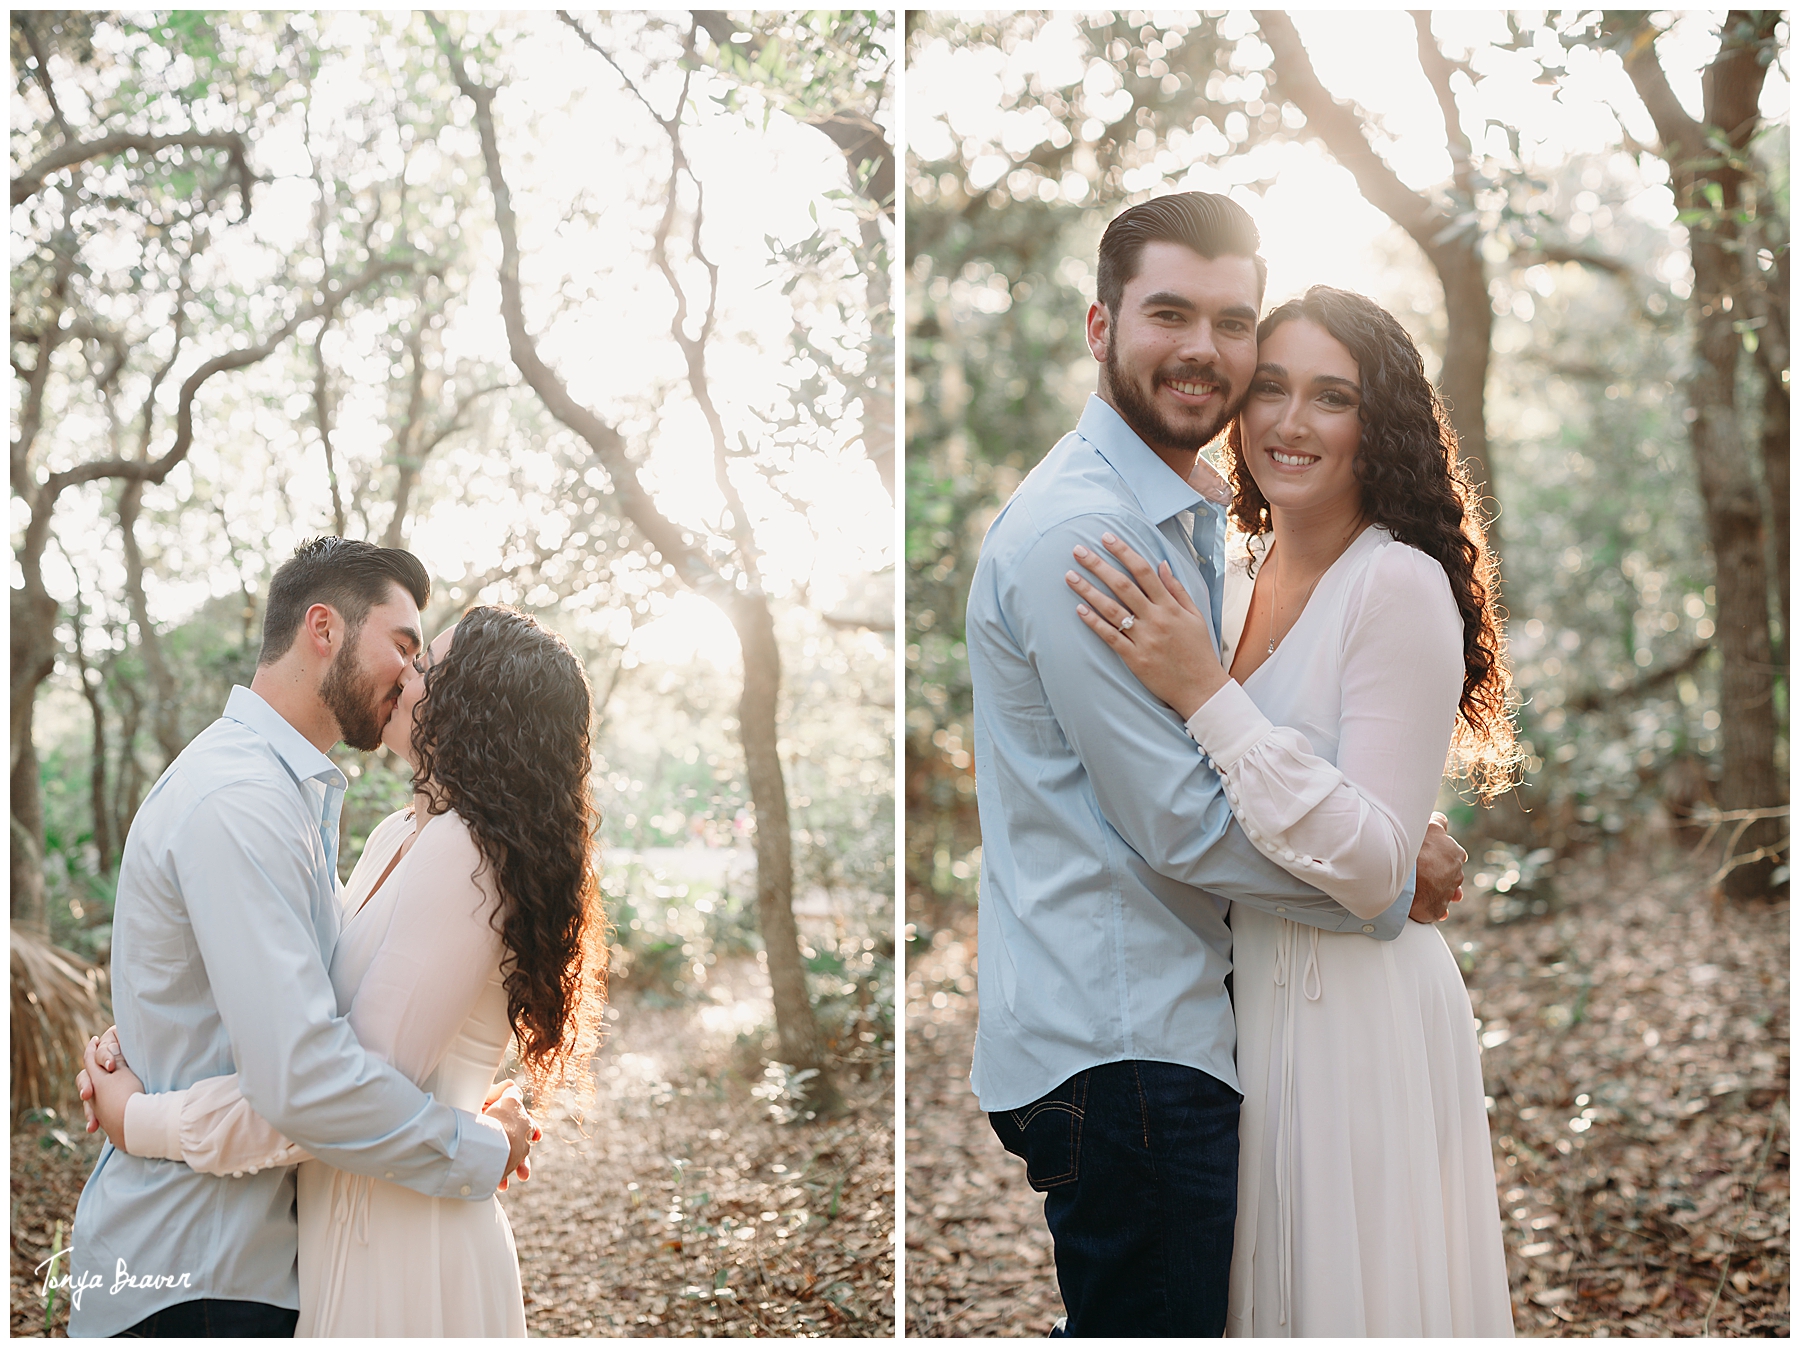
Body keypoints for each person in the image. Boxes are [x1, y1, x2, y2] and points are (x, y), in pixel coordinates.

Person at [965, 192, 1469, 1337]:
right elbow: (1183, 821)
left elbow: (1263, 756)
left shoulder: (1194, 537)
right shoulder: (1083, 541)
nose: (1206, 351)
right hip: (1132, 1040)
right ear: (1101, 327)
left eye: (1231, 322)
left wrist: (1379, 841)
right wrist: (1388, 879)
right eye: (1170, 314)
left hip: (1228, 1027)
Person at [1066, 284, 1517, 1334]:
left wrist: (1206, 693)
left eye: (1331, 397)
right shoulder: (1230, 578)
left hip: (1353, 1009)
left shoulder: (1395, 585)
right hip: (1243, 1005)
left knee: (1348, 1299)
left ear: (1379, 426)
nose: (1288, 422)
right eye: (1269, 388)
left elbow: (1369, 869)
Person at [66, 539, 536, 1337]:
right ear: (324, 629)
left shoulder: (292, 798)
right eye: (404, 646)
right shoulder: (243, 800)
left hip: (255, 1262)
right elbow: (307, 1080)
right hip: (198, 1272)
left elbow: (317, 1023)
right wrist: (472, 1145)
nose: (411, 677)